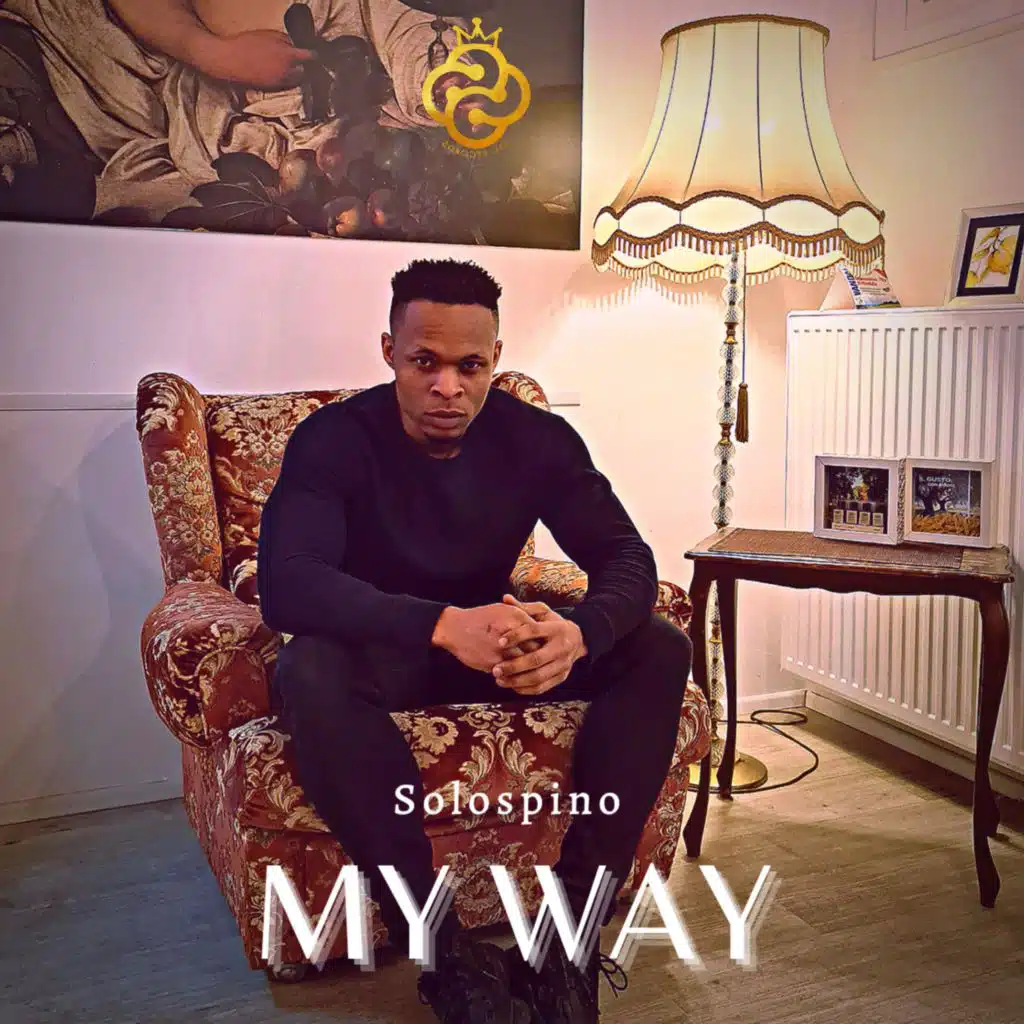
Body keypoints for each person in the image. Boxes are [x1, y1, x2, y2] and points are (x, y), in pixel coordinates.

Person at [256, 258, 692, 1023]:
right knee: (308, 668)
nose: (447, 387)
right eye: (424, 362)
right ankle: (444, 952)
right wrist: (440, 624)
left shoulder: (537, 438)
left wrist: (578, 635)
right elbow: (287, 582)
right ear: (389, 352)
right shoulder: (333, 439)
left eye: (469, 366)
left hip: (498, 653)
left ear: (496, 360)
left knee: (659, 646)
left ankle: (567, 944)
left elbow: (627, 556)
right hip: (389, 652)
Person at [0, 0, 459, 217]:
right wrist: (214, 54)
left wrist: (444, 84)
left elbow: (413, 36)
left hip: (287, 134)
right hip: (152, 66)